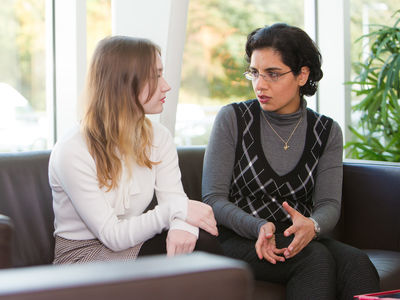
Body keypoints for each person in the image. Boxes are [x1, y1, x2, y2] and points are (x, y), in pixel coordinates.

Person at [202, 23, 380, 300]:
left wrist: (313, 225)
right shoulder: (233, 119)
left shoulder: (326, 131)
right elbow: (213, 198)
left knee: (357, 264)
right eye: (255, 73)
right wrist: (257, 225)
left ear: (302, 75)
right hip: (237, 236)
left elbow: (328, 204)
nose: (260, 85)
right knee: (313, 259)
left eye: (273, 74)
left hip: (296, 235)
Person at [49, 36, 221, 264]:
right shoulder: (72, 149)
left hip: (132, 243)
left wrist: (183, 226)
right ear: (123, 83)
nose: (166, 85)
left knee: (202, 242)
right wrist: (177, 211)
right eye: (156, 76)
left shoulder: (159, 136)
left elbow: (175, 200)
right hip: (84, 256)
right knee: (192, 251)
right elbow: (112, 236)